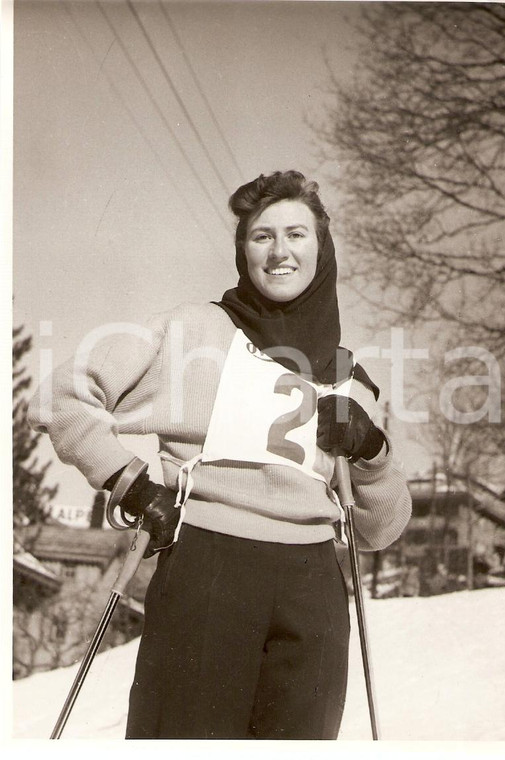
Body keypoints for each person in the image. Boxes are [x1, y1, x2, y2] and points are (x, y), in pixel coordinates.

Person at [28, 170, 411, 740]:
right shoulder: (195, 330)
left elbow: (382, 530)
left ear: (321, 248)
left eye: (296, 234)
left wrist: (373, 452)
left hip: (314, 591)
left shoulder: (344, 374)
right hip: (211, 572)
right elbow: (61, 396)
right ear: (243, 251)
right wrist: (129, 481)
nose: (280, 251)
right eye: (262, 236)